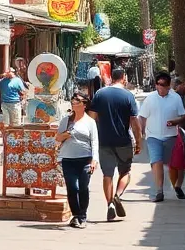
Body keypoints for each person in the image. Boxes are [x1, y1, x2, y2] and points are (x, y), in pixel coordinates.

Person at [87, 67, 142, 222]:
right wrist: (139, 141)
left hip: (104, 141)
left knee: (107, 175)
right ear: (124, 78)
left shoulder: (100, 94)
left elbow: (91, 118)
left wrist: (91, 140)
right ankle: (117, 195)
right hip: (123, 141)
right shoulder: (128, 96)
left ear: (111, 77)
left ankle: (109, 204)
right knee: (125, 172)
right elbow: (134, 121)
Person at [138, 70, 185, 202]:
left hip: (171, 136)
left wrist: (175, 122)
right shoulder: (150, 99)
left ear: (169, 86)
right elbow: (142, 116)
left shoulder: (175, 98)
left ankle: (177, 186)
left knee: (173, 163)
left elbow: (183, 115)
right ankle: (159, 191)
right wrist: (141, 133)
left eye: (163, 84)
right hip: (153, 136)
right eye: (158, 84)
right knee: (157, 161)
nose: (160, 87)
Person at [55, 89, 98, 228]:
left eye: (77, 100)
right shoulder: (66, 120)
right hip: (68, 159)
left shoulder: (90, 122)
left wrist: (94, 159)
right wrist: (65, 135)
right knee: (72, 188)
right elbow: (57, 138)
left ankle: (82, 216)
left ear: (84, 104)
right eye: (73, 100)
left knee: (83, 188)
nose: (74, 102)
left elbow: (94, 141)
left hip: (85, 159)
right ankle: (76, 215)